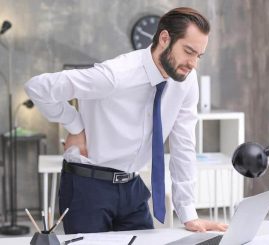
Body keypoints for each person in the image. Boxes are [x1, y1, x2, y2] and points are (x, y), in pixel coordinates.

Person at [25, 7, 228, 233]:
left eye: (198, 56)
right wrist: (75, 125)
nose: (193, 64)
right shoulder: (115, 75)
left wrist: (188, 213)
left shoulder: (186, 82)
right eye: (188, 51)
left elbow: (184, 145)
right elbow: (37, 87)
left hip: (132, 187)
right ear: (164, 39)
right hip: (87, 187)